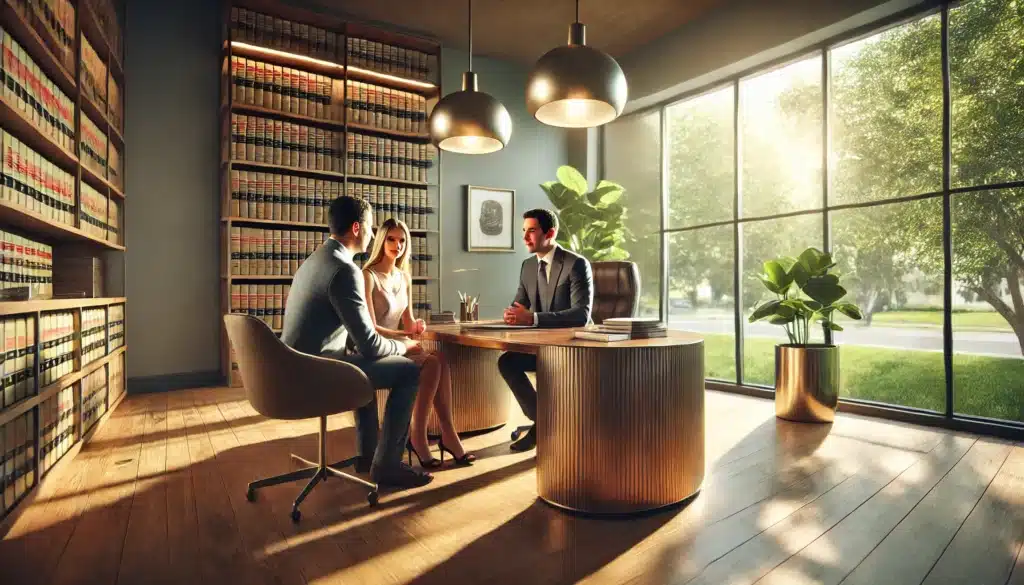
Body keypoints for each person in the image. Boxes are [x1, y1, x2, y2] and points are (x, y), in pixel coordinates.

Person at [280, 195, 432, 488]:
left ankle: (367, 456)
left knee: (363, 365)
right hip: (313, 375)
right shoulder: (344, 270)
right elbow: (371, 345)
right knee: (409, 371)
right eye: (372, 228)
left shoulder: (315, 260)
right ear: (356, 228)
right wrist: (405, 347)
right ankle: (387, 466)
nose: (374, 235)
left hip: (293, 368)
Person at [362, 217, 477, 469]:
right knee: (432, 363)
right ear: (381, 241)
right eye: (391, 239)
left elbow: (408, 321)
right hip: (376, 348)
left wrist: (416, 327)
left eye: (402, 240)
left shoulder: (404, 277)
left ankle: (444, 433)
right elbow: (370, 328)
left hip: (398, 344)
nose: (397, 245)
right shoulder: (368, 276)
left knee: (439, 360)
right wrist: (404, 337)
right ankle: (422, 437)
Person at [499, 208, 593, 451]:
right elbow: (520, 303)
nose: (525, 237)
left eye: (531, 230)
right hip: (539, 347)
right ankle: (543, 421)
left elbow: (581, 315)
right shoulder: (528, 266)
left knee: (536, 367)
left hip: (571, 349)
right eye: (524, 231)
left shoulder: (576, 264)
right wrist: (512, 314)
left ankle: (542, 428)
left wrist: (532, 318)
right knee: (507, 362)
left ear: (550, 232)